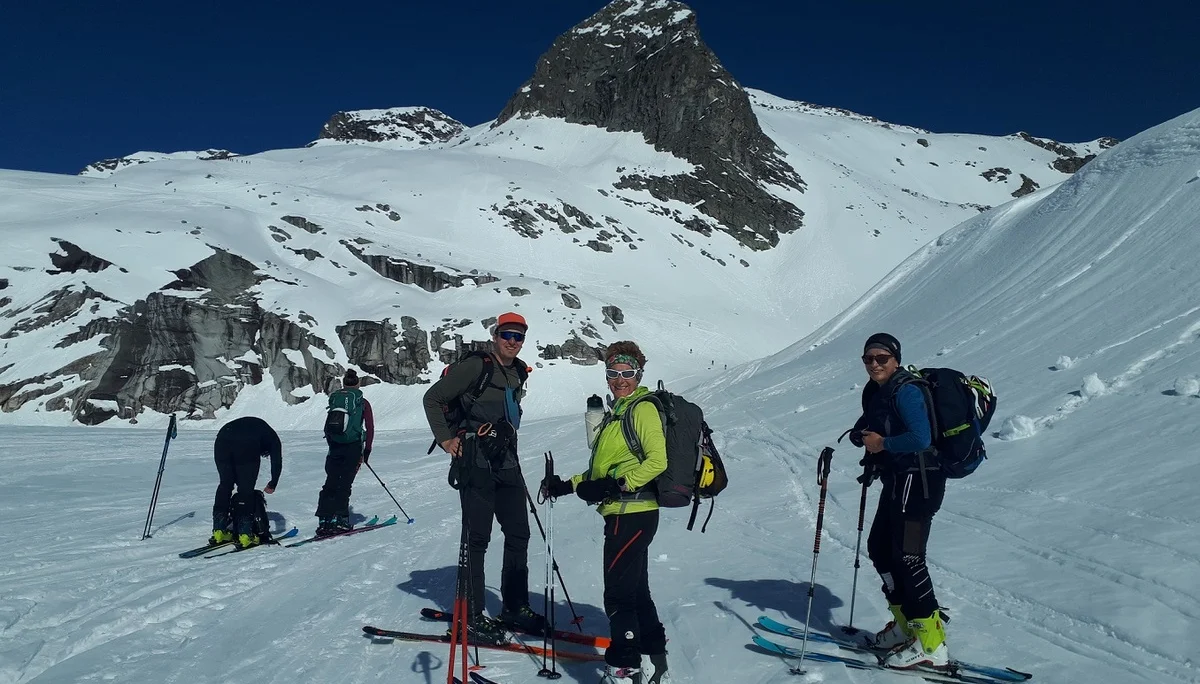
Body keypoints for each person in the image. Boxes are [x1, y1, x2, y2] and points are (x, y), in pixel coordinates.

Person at [541, 340, 670, 684]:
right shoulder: (619, 413)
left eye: (627, 373)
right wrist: (567, 485)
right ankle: (655, 661)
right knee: (636, 591)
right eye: (613, 372)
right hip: (627, 513)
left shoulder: (640, 409)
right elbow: (603, 472)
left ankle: (624, 669)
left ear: (639, 374)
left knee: (618, 596)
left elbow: (658, 461)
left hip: (631, 513)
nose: (620, 379)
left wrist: (616, 487)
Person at [422, 311, 543, 642]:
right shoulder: (478, 366)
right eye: (507, 335)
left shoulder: (518, 373)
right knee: (477, 539)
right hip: (475, 462)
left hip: (507, 464)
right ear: (496, 335)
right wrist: (447, 440)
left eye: (518, 337)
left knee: (519, 533)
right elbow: (432, 398)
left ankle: (515, 607)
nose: (512, 342)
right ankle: (471, 615)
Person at [850, 332, 948, 670]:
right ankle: (906, 626)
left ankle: (932, 643)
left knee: (909, 558)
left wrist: (883, 444)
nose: (874, 364)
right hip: (898, 480)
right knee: (879, 548)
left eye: (881, 358)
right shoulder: (878, 391)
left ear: (896, 359)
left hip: (920, 481)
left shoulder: (906, 390)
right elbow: (878, 425)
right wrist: (862, 434)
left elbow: (921, 438)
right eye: (868, 359)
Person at [316, 369, 375, 535]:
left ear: (343, 384)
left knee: (331, 481)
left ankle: (324, 519)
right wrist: (367, 449)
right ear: (358, 383)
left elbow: (328, 425)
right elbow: (369, 427)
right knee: (345, 482)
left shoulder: (336, 399)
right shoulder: (362, 402)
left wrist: (331, 444)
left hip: (335, 445)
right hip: (353, 445)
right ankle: (339, 519)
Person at [210, 416, 282, 549]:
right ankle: (245, 534)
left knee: (225, 484)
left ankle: (219, 531)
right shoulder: (272, 438)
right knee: (245, 489)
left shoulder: (259, 427)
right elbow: (276, 460)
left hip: (222, 438)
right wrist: (273, 483)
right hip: (246, 443)